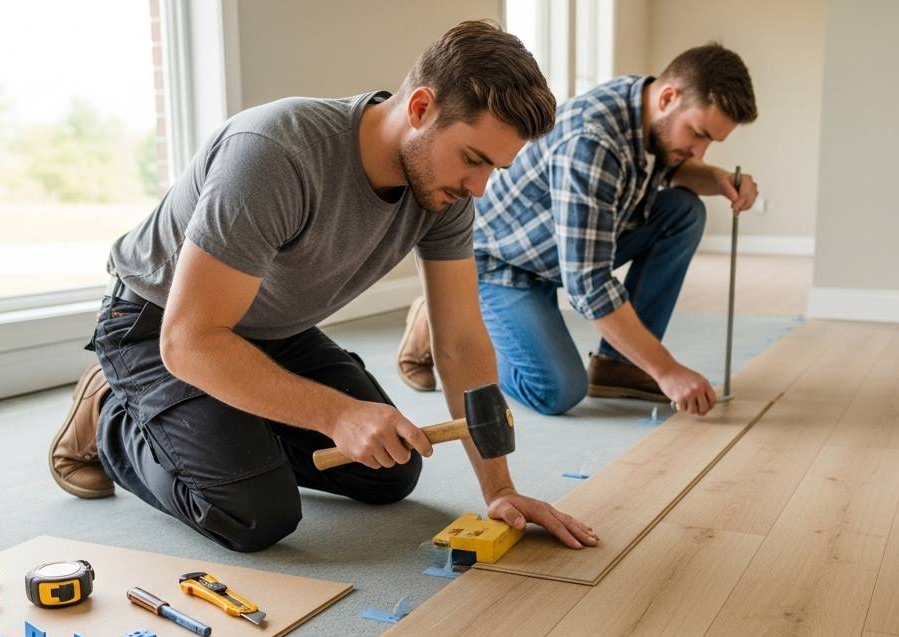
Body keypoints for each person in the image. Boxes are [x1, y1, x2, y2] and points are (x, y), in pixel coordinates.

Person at [47, 21, 597, 553]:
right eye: (474, 159)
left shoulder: (446, 192)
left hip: (268, 328)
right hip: (161, 326)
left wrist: (499, 488)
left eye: (494, 169)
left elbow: (458, 342)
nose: (478, 186)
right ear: (421, 108)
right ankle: (111, 415)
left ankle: (229, 410)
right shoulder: (275, 153)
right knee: (254, 515)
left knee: (391, 468)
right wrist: (336, 414)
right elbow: (189, 340)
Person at [396, 43, 759, 417]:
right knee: (557, 390)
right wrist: (668, 371)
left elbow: (670, 163)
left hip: (559, 249)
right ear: (668, 97)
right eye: (698, 134)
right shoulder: (593, 140)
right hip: (500, 264)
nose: (700, 151)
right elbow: (589, 284)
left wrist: (717, 179)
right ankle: (441, 316)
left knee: (683, 211)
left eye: (711, 142)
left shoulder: (647, 106)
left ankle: (620, 366)